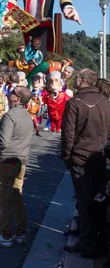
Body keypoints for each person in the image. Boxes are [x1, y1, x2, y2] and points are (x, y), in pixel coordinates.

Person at [61, 69, 110, 257]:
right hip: (99, 156)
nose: (74, 79)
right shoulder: (105, 102)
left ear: (82, 81)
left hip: (81, 157)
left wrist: (66, 156)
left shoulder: (75, 103)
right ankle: (95, 240)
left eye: (76, 77)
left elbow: (68, 134)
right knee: (97, 199)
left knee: (84, 201)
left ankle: (87, 242)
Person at [0, 86, 36, 247]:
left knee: (4, 200)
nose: (9, 94)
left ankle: (5, 235)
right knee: (17, 197)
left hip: (8, 160)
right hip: (21, 160)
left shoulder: (10, 115)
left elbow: (4, 141)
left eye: (13, 92)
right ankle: (20, 233)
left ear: (17, 99)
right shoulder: (27, 115)